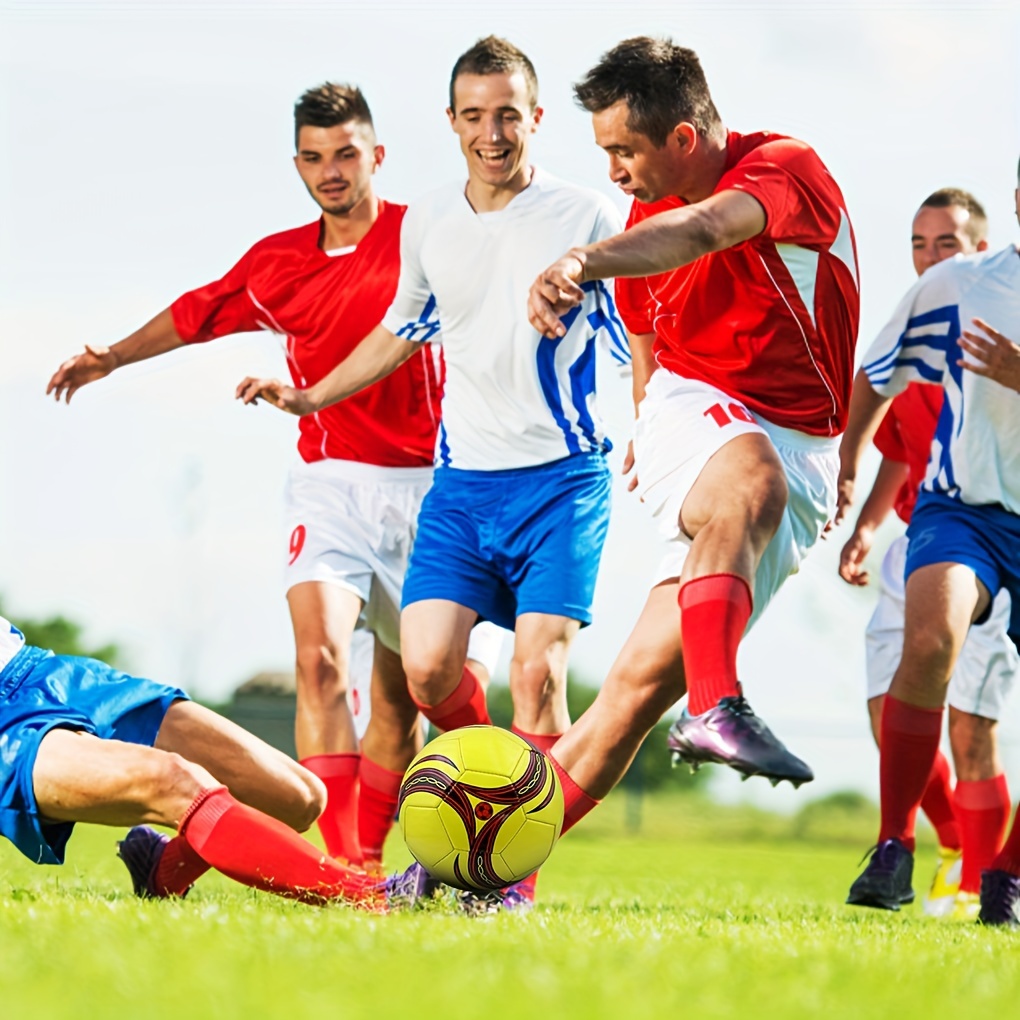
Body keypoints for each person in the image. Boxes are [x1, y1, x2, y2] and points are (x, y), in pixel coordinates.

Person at [44, 82, 502, 869]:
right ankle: (344, 870)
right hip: (329, 483)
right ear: (298, 164)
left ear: (376, 156)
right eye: (315, 157)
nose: (331, 171)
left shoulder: (423, 235)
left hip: (433, 488)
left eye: (347, 154)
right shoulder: (276, 264)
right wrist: (112, 356)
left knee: (401, 704)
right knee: (317, 658)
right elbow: (199, 311)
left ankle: (368, 853)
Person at [237, 37, 627, 907]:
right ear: (452, 122)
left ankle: (508, 882)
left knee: (539, 675)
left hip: (563, 480)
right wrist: (311, 396)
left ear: (535, 118)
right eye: (475, 115)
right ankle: (495, 797)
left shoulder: (587, 215)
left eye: (509, 114)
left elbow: (644, 329)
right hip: (460, 486)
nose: (493, 133)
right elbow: (398, 331)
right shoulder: (430, 224)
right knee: (424, 672)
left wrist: (651, 431)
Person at [524, 35, 858, 835]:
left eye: (623, 150)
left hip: (803, 452)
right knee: (749, 484)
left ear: (682, 139)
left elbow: (709, 229)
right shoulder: (641, 218)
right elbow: (646, 336)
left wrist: (581, 259)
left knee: (630, 699)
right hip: (699, 412)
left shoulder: (783, 168)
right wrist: (651, 424)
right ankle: (718, 706)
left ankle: (464, 865)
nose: (613, 171)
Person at [841, 162, 1020, 924]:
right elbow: (878, 373)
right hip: (962, 512)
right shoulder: (960, 285)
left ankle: (1005, 878)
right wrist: (849, 459)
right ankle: (893, 849)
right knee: (928, 645)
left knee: (979, 727)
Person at [0, 612, 424, 908]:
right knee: (173, 781)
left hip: (38, 671)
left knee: (298, 796)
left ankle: (161, 870)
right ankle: (375, 896)